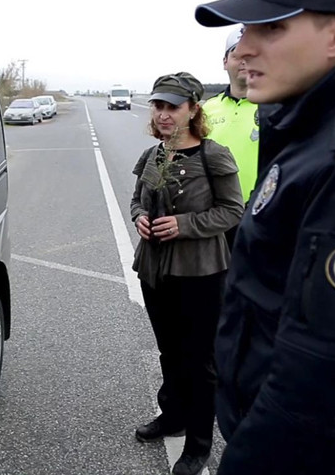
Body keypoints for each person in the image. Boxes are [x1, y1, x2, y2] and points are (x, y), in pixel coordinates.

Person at [195, 0, 335, 473]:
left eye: (270, 28)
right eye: (245, 28)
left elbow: (323, 372)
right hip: (259, 413)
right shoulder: (305, 123)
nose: (242, 48)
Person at [130, 72, 244, 475]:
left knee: (199, 360)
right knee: (169, 351)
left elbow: (233, 211)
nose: (163, 114)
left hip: (201, 272)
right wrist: (141, 218)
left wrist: (185, 225)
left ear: (194, 109)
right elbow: (136, 201)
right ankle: (172, 415)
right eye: (158, 106)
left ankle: (198, 444)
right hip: (154, 269)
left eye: (172, 107)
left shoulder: (214, 155)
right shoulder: (153, 155)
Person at [203, 28, 260, 204]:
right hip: (214, 213)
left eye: (250, 55)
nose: (244, 61)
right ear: (225, 62)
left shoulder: (276, 107)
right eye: (237, 55)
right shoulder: (208, 108)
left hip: (260, 212)